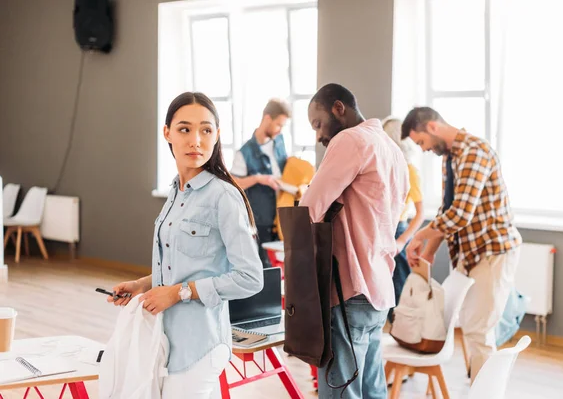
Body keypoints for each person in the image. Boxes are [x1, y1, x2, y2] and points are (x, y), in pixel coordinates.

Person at [108, 92, 264, 398]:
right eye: (184, 129)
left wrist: (179, 293)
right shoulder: (176, 192)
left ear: (217, 135)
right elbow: (185, 264)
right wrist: (142, 284)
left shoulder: (224, 197)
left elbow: (251, 278)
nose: (196, 140)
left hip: (200, 345)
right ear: (167, 133)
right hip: (165, 339)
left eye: (206, 130)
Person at [300, 83, 409, 398]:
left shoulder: (350, 139)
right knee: (373, 388)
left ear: (338, 108)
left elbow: (309, 209)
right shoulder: (391, 149)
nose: (319, 135)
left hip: (350, 286)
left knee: (341, 391)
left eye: (318, 123)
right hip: (379, 287)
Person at [401, 106, 522, 383]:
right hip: (471, 254)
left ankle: (484, 390)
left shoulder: (474, 152)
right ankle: (479, 383)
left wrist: (418, 236)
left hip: (493, 251)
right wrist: (429, 252)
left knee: (479, 330)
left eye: (421, 142)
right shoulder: (451, 158)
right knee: (470, 326)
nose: (423, 149)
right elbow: (448, 209)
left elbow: (461, 214)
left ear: (432, 127)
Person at [230, 99, 292, 268]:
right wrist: (258, 179)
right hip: (261, 220)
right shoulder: (245, 153)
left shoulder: (280, 141)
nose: (280, 130)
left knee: (285, 266)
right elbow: (234, 183)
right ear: (267, 118)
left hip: (282, 215)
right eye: (278, 125)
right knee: (264, 268)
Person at [382, 117, 425, 320]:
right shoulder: (385, 168)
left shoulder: (410, 171)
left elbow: (420, 213)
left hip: (398, 232)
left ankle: (403, 336)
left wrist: (401, 241)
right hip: (383, 232)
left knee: (400, 290)